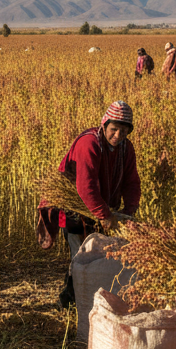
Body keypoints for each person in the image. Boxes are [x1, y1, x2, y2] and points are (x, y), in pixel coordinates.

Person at [37, 101, 141, 309]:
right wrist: (104, 214)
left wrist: (128, 213)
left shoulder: (126, 148)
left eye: (123, 131)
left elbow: (132, 182)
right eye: (114, 130)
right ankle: (70, 301)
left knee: (98, 256)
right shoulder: (89, 144)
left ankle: (82, 300)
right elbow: (86, 186)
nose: (118, 136)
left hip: (101, 209)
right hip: (75, 210)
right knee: (81, 256)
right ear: (104, 125)